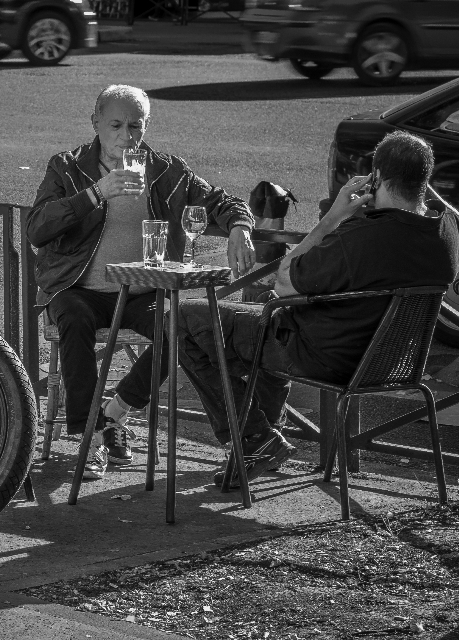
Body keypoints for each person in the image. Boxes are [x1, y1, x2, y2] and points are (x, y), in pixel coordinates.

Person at [175, 130, 459, 487]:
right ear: (424, 181)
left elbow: (285, 278)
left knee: (182, 320)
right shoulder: (446, 230)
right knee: (263, 319)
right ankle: (261, 441)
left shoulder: (361, 237)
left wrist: (335, 215)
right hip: (392, 361)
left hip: (324, 358)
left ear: (377, 178)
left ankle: (255, 437)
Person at [26, 84, 256, 480]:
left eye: (136, 126)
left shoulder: (167, 169)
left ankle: (115, 413)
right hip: (79, 288)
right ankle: (91, 438)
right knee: (73, 320)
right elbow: (37, 228)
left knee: (180, 328)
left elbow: (219, 200)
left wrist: (239, 225)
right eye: (116, 124)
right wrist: (96, 192)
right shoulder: (66, 167)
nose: (126, 136)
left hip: (142, 289)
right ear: (95, 122)